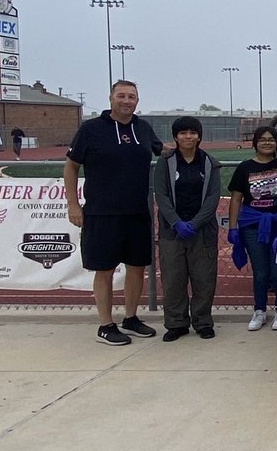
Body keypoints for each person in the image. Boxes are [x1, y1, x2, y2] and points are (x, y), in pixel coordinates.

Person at [64, 80, 163, 345]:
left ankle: (130, 318)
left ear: (137, 101)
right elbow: (71, 166)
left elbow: (163, 150)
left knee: (136, 268)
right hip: (102, 213)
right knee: (105, 270)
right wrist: (73, 204)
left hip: (137, 212)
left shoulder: (143, 128)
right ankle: (106, 325)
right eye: (121, 95)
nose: (126, 101)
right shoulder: (91, 129)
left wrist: (192, 148)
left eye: (131, 96)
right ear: (111, 98)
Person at [153, 116, 220, 342]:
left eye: (192, 132)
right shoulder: (166, 162)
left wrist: (195, 223)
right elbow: (161, 195)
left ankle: (203, 322)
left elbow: (212, 197)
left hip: (202, 231)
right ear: (175, 137)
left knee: (203, 279)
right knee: (173, 280)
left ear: (199, 136)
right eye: (183, 133)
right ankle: (176, 323)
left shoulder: (209, 162)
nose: (188, 137)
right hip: (172, 232)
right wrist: (176, 222)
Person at [228, 126, 277, 332]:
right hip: (252, 226)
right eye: (262, 139)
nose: (267, 143)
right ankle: (259, 310)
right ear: (255, 143)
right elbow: (236, 199)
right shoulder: (244, 168)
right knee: (261, 272)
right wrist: (233, 227)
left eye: (271, 139)